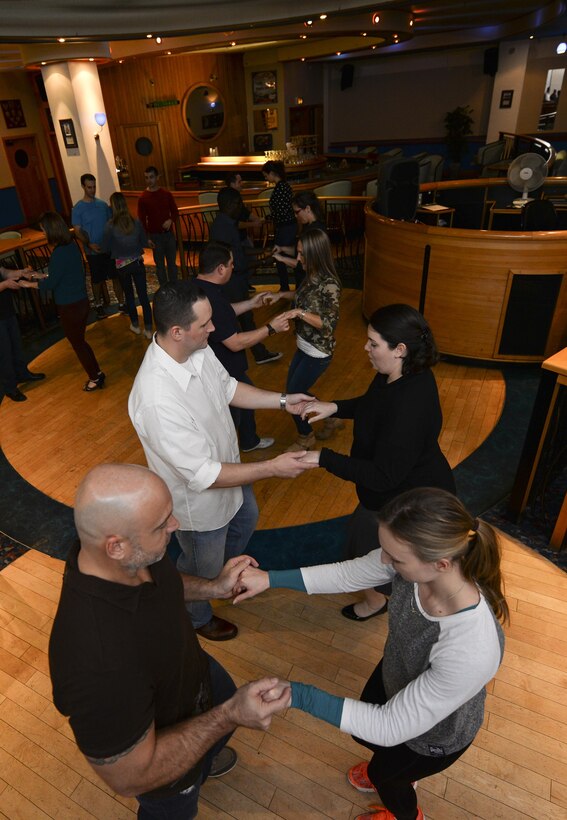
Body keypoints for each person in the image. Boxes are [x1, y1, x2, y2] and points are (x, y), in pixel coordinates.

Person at [234, 486, 508, 820]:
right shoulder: (414, 564)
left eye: (395, 558)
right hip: (396, 674)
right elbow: (348, 573)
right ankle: (394, 770)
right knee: (371, 742)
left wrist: (297, 696)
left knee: (386, 776)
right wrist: (269, 579)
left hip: (434, 734)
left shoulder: (472, 648)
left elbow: (390, 726)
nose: (384, 560)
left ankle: (406, 813)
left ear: (441, 563)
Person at [49, 462, 292, 819]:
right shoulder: (95, 663)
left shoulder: (129, 556)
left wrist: (214, 588)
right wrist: (229, 715)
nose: (175, 524)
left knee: (211, 743)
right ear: (115, 546)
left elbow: (166, 584)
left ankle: (204, 757)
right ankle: (195, 768)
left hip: (195, 679)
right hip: (166, 771)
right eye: (163, 523)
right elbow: (130, 776)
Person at [128, 279, 316, 641]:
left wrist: (282, 400)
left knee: (246, 520)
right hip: (200, 505)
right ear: (178, 331)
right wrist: (273, 468)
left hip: (233, 474)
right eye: (205, 324)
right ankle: (196, 617)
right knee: (201, 565)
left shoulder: (195, 349)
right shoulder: (156, 398)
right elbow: (205, 475)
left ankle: (220, 578)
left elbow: (228, 388)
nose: (214, 329)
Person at [298, 304, 455, 621]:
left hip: (406, 501)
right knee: (367, 549)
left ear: (400, 349)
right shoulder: (398, 374)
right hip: (392, 495)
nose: (365, 348)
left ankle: (377, 602)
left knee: (372, 554)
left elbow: (383, 476)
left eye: (373, 343)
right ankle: (378, 598)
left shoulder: (409, 406)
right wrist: (334, 407)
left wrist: (322, 458)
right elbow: (374, 405)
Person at [196, 241, 290, 452]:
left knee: (245, 405)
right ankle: (230, 453)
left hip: (222, 367)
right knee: (233, 416)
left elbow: (223, 313)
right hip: (223, 369)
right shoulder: (212, 297)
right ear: (220, 269)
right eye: (230, 264)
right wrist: (271, 328)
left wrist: (250, 304)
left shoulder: (201, 288)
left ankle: (249, 441)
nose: (233, 267)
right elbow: (235, 343)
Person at [267, 229, 342, 451]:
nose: (298, 259)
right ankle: (329, 416)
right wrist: (281, 295)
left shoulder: (330, 284)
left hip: (318, 352)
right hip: (303, 347)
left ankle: (305, 436)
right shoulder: (311, 274)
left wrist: (297, 313)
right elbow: (303, 298)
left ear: (315, 254)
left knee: (293, 394)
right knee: (296, 391)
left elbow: (328, 324)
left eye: (302, 254)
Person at [34, 212, 105, 392]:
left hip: (70, 306)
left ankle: (94, 378)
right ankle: (97, 373)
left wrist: (29, 282)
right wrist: (39, 276)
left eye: (44, 231)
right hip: (81, 302)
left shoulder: (58, 253)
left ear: (52, 231)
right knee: (81, 341)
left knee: (78, 344)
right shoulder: (72, 246)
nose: (43, 234)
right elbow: (63, 274)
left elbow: (51, 283)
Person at [210, 185, 280, 365]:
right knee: (240, 318)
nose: (242, 206)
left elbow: (239, 251)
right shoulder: (223, 227)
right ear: (231, 204)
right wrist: (262, 262)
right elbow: (234, 262)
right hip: (232, 282)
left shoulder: (227, 224)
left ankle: (258, 353)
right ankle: (254, 354)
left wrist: (261, 251)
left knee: (245, 318)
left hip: (237, 280)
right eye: (239, 202)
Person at [71, 173, 125, 318]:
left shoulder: (102, 205)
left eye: (94, 187)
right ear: (83, 186)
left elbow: (110, 224)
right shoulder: (78, 208)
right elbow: (77, 230)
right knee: (97, 279)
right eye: (89, 187)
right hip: (93, 251)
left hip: (108, 249)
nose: (92, 190)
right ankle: (98, 305)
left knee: (115, 276)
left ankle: (121, 303)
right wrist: (89, 244)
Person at [102, 192, 153, 339]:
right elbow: (143, 242)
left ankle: (135, 325)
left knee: (129, 296)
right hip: (137, 263)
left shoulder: (110, 226)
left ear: (113, 206)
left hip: (122, 266)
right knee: (143, 296)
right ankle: (149, 329)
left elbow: (105, 248)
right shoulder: (136, 222)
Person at [0, 264, 45, 401]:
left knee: (16, 345)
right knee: (4, 353)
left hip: (7, 310)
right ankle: (10, 388)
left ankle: (22, 373)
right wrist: (5, 285)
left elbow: (3, 271)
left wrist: (20, 272)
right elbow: (4, 280)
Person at [272, 190, 326, 290]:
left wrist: (282, 258)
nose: (296, 216)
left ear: (308, 208)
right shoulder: (308, 226)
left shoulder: (316, 231)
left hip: (310, 285)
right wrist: (282, 249)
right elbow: (300, 252)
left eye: (297, 212)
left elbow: (306, 265)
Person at [138, 165, 179, 285]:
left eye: (151, 177)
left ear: (157, 177)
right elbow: (141, 220)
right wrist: (146, 238)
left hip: (168, 235)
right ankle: (164, 291)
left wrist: (171, 220)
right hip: (155, 236)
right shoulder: (143, 198)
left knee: (172, 264)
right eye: (146, 178)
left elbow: (175, 211)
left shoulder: (166, 194)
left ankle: (175, 288)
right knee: (160, 266)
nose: (149, 180)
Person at [262, 160, 296, 291]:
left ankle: (285, 287)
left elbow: (281, 212)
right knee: (285, 255)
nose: (265, 178)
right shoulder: (283, 186)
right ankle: (286, 286)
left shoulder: (281, 187)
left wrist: (267, 218)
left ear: (271, 173)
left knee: (282, 255)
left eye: (266, 175)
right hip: (286, 225)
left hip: (285, 226)